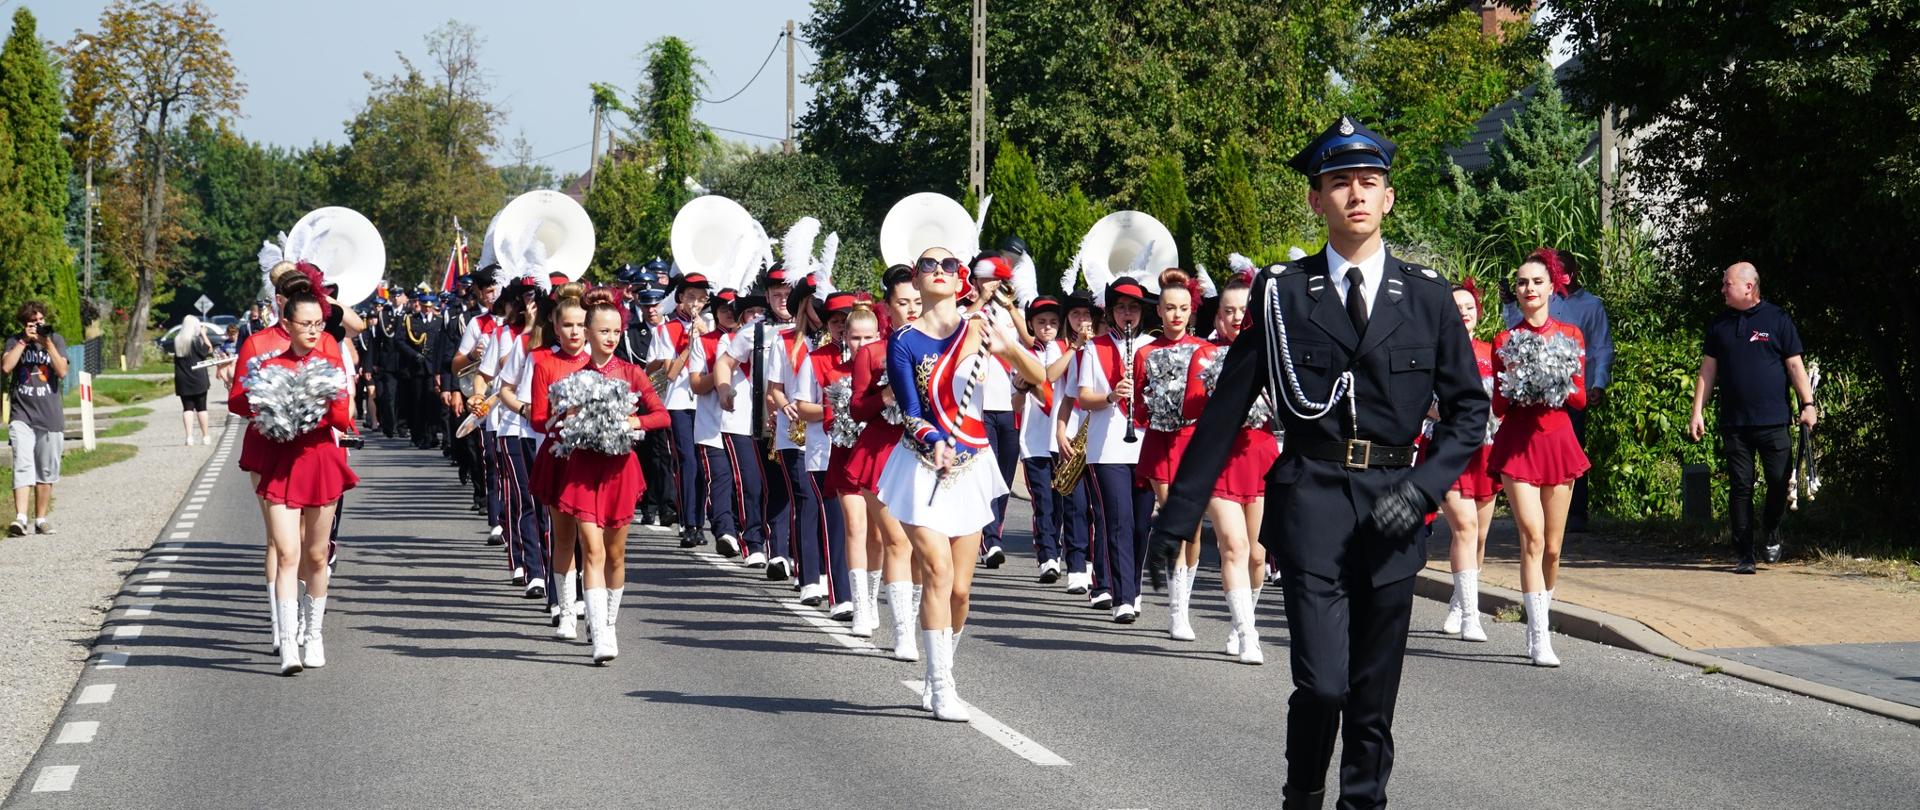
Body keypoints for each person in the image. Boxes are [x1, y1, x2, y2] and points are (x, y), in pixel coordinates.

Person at [1149, 117, 1488, 809]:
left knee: (1371, 698)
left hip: (1395, 506)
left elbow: (1468, 412)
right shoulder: (1282, 295)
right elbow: (1224, 411)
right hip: (1311, 505)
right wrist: (1177, 516)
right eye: (1340, 184)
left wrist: (1423, 489)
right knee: (1323, 685)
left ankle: (1362, 803)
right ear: (1316, 201)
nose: (1355, 196)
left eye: (1369, 183)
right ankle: (1301, 792)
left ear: (1388, 198)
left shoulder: (1425, 297)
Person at [876, 247, 1045, 722]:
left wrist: (1010, 348)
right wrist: (932, 440)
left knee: (962, 591)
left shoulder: (981, 327)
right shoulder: (905, 340)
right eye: (928, 266)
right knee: (938, 571)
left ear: (960, 278)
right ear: (917, 278)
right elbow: (911, 411)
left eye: (948, 266)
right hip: (922, 466)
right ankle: (940, 684)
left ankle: (942, 665)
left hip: (970, 466)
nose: (938, 272)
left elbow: (1041, 378)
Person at [529, 288, 669, 664]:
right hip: (582, 471)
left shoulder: (632, 373)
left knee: (616, 554)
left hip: (620, 471)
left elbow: (662, 415)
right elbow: (548, 420)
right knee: (590, 548)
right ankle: (599, 636)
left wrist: (633, 420)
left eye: (615, 332)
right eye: (603, 332)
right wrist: (567, 422)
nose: (610, 338)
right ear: (588, 334)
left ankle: (608, 620)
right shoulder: (573, 376)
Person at [232, 290, 359, 674]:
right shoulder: (268, 363)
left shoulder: (330, 359)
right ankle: (288, 644)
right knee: (287, 553)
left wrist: (327, 400)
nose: (313, 330)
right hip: (281, 464)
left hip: (320, 461)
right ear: (286, 325)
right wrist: (266, 400)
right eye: (305, 324)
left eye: (318, 324)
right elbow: (239, 401)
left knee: (317, 555)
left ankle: (314, 633)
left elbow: (343, 418)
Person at [1488, 249, 1591, 667]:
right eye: (1521, 283)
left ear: (1552, 287)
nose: (1528, 289)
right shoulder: (1504, 340)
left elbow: (1581, 399)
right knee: (1530, 538)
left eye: (1535, 282)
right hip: (1518, 446)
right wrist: (1518, 384)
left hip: (1558, 445)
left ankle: (1544, 616)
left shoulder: (1571, 335)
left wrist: (1554, 381)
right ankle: (1538, 636)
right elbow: (1497, 406)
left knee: (1552, 547)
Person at [1687, 261, 1816, 572]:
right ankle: (1744, 552)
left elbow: (1795, 366)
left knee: (1778, 480)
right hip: (1735, 423)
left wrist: (1808, 404)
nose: (1722, 289)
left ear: (1748, 287)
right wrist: (1697, 412)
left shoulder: (1778, 319)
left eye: (1726, 284)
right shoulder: (1719, 325)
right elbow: (1707, 371)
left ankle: (1771, 527)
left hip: (1774, 420)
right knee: (1740, 486)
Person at [1183, 271, 1277, 664]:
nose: (1237, 317)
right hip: (1219, 461)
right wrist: (1218, 397)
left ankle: (1244, 619)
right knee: (1233, 546)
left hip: (1261, 458)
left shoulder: (1273, 354)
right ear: (1217, 316)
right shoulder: (1203, 356)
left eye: (1244, 310)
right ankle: (1246, 632)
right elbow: (1187, 408)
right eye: (1229, 311)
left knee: (1258, 555)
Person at [1504, 249, 1612, 532]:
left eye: (1562, 271)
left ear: (1572, 273)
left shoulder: (1591, 306)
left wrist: (1598, 383)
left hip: (1571, 390)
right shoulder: (1540, 296)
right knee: (1531, 448)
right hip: (1532, 392)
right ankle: (1534, 510)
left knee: (1571, 451)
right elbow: (1515, 335)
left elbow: (1600, 347)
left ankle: (1574, 514)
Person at [845, 266, 923, 659]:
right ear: (887, 307)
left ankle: (912, 616)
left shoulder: (940, 346)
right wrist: (888, 395)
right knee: (896, 539)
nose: (911, 309)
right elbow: (857, 408)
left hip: (928, 453)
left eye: (918, 302)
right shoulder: (874, 352)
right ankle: (903, 632)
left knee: (926, 546)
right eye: (903, 302)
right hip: (882, 453)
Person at [1132, 268, 1212, 639]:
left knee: (1193, 529)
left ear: (1191, 311)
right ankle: (1177, 613)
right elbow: (1138, 407)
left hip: (1196, 445)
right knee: (1174, 519)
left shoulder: (1207, 351)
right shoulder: (1145, 352)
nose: (1176, 315)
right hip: (1161, 443)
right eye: (1169, 308)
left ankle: (1184, 599)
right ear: (1159, 312)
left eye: (1183, 308)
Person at [1076, 275, 1155, 622]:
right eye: (1121, 307)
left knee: (1140, 525)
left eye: (1133, 308)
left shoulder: (1153, 347)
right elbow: (1083, 398)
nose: (1127, 314)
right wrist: (1111, 395)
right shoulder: (1095, 348)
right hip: (1107, 448)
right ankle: (1122, 597)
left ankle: (1134, 589)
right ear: (1111, 312)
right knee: (1119, 521)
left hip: (1146, 446)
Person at [1439, 279, 1500, 644]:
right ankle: (1470, 617)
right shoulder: (1436, 350)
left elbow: (1504, 401)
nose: (1464, 313)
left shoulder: (1491, 351)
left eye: (1469, 308)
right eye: (1457, 307)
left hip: (1486, 451)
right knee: (1463, 527)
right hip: (1450, 449)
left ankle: (1460, 601)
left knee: (1479, 535)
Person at [487, 278, 552, 601]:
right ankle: (532, 570)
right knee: (526, 500)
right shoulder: (515, 338)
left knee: (551, 507)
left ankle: (559, 578)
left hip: (552, 431)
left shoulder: (563, 342)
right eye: (527, 299)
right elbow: (502, 382)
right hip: (515, 427)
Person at [649, 273, 712, 548]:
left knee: (703, 463)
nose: (696, 303)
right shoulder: (666, 330)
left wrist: (704, 336)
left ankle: (701, 521)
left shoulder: (710, 326)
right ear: (680, 299)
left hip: (705, 401)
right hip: (678, 402)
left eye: (701, 298)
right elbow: (669, 374)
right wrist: (690, 344)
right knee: (686, 461)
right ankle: (688, 522)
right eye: (690, 298)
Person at [4, 301, 68, 537]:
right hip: (22, 413)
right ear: (24, 324)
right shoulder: (14, 341)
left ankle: (40, 519)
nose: (38, 326)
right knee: (22, 463)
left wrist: (47, 343)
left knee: (46, 469)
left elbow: (62, 371)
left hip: (50, 415)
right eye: (33, 323)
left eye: (40, 321)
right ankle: (20, 518)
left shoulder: (56, 340)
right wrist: (24, 341)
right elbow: (6, 367)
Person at [1014, 296, 1066, 583]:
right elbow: (1015, 404)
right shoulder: (1022, 355)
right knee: (1043, 501)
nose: (1048, 327)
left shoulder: (1068, 350)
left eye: (1053, 322)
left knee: (1061, 501)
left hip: (1060, 439)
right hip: (1033, 439)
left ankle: (1057, 551)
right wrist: (1021, 390)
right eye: (1042, 322)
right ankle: (1047, 556)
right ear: (1031, 324)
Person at [170, 315, 216, 446]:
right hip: (198, 378)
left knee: (187, 408)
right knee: (201, 408)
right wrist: (203, 334)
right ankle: (205, 436)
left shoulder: (177, 341)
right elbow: (209, 349)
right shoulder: (195, 341)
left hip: (182, 378)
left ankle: (189, 437)